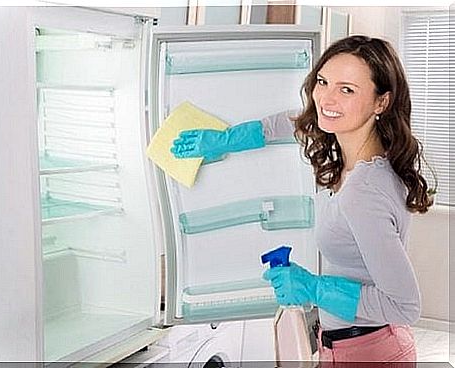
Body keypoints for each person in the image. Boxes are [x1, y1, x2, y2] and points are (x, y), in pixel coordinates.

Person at [171, 35, 433, 364]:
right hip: (356, 344)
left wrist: (314, 288)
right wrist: (225, 140)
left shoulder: (363, 191)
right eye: (323, 82)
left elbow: (404, 305)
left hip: (368, 352)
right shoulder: (357, 154)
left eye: (347, 89)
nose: (326, 98)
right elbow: (292, 121)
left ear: (381, 102)